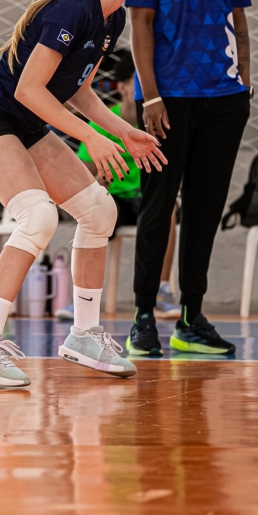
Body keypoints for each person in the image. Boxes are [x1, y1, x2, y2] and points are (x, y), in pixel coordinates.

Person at [0, 0, 165, 388]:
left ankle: (84, 335)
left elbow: (78, 91)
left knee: (100, 212)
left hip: (29, 123)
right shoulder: (70, 9)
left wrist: (121, 131)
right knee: (38, 217)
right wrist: (91, 138)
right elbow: (29, 90)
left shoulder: (111, 16)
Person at [126, 0, 252, 358]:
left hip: (224, 96)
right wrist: (150, 98)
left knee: (204, 211)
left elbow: (238, 17)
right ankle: (142, 318)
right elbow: (140, 24)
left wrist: (245, 83)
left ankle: (191, 318)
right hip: (169, 98)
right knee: (159, 208)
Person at [57, 50, 180, 320]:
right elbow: (84, 174)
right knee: (93, 210)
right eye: (140, 80)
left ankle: (161, 291)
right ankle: (80, 297)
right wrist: (98, 180)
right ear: (122, 87)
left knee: (168, 208)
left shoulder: (161, 122)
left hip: (148, 197)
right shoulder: (102, 123)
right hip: (116, 199)